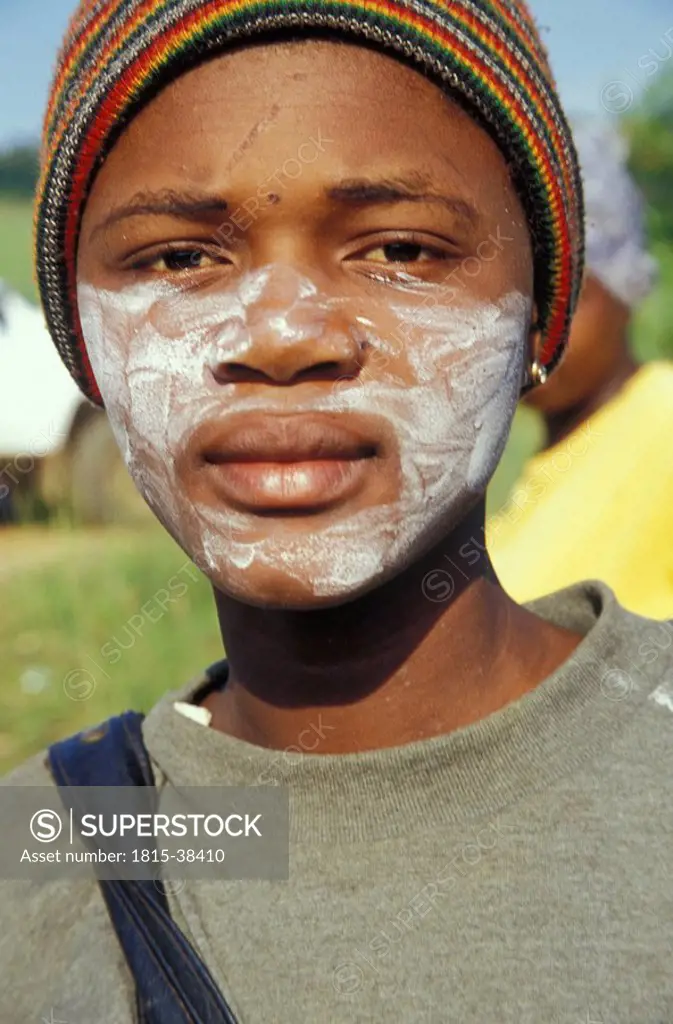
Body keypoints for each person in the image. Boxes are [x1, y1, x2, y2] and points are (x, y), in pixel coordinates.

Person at [2, 2, 672, 1022]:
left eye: (399, 249)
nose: (280, 335)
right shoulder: (60, 836)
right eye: (180, 258)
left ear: (543, 302)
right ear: (84, 345)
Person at [489, 119, 673, 619]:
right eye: (508, 297)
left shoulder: (663, 421)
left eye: (563, 294)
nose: (530, 323)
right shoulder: (527, 475)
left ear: (625, 289)